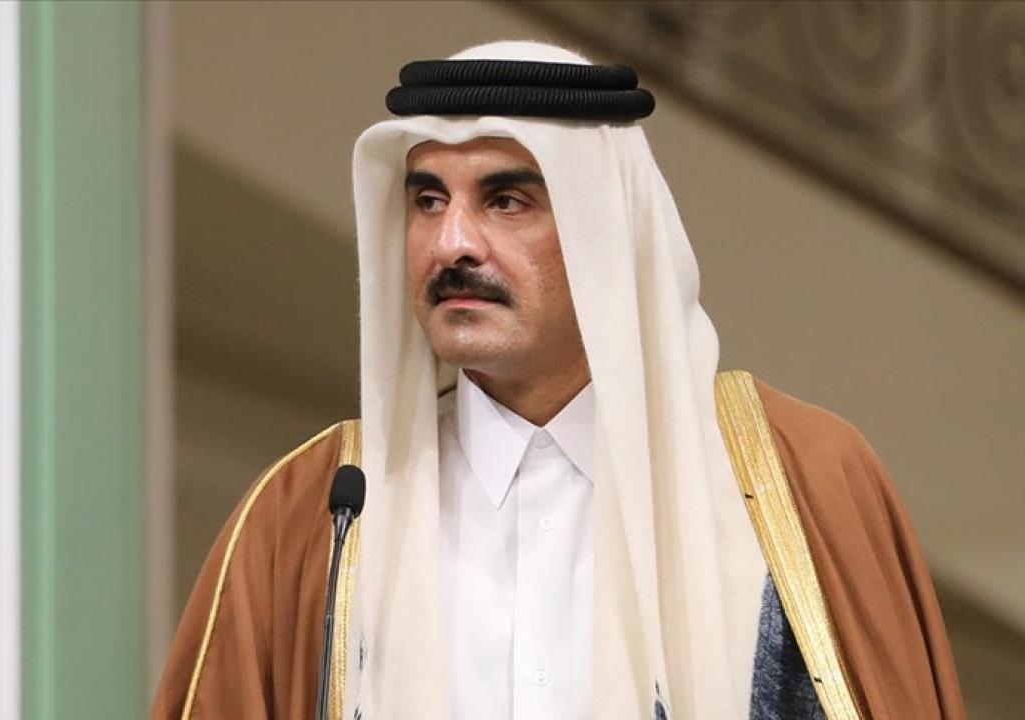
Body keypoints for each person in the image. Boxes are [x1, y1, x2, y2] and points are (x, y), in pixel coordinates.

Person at [152, 41, 964, 720]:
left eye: (506, 200)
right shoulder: (314, 514)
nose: (452, 243)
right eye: (428, 200)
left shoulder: (800, 478)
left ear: (604, 226)